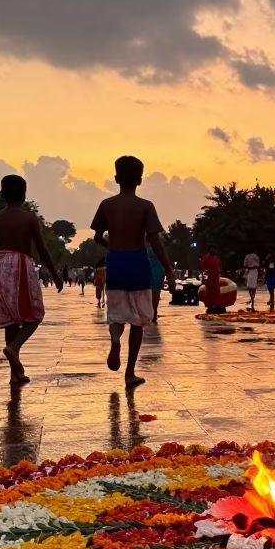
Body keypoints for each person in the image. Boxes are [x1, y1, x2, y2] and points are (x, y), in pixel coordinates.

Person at [90, 155, 174, 387]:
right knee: (138, 321)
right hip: (138, 261)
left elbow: (97, 236)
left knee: (116, 314)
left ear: (116, 178)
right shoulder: (145, 206)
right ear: (140, 179)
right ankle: (129, 373)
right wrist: (169, 270)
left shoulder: (107, 205)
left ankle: (115, 339)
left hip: (116, 261)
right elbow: (155, 241)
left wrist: (112, 248)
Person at [0, 175, 62, 384]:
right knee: (35, 315)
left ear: (2, 193)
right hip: (21, 264)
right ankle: (13, 348)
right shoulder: (29, 218)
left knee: (10, 320)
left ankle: (15, 373)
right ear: (23, 194)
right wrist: (56, 274)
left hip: (0, 264)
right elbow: (42, 249)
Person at [201, 244, 224, 313]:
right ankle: (210, 306)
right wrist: (204, 278)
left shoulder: (216, 258)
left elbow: (219, 267)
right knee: (210, 293)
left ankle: (216, 305)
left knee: (216, 293)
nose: (213, 250)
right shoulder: (206, 258)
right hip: (209, 279)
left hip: (216, 279)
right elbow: (203, 268)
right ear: (209, 250)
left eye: (214, 249)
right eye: (211, 249)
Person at [148, 243, 166, 321]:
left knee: (151, 294)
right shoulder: (160, 250)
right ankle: (155, 310)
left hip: (151, 270)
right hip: (159, 270)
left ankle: (152, 311)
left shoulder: (148, 251)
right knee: (157, 293)